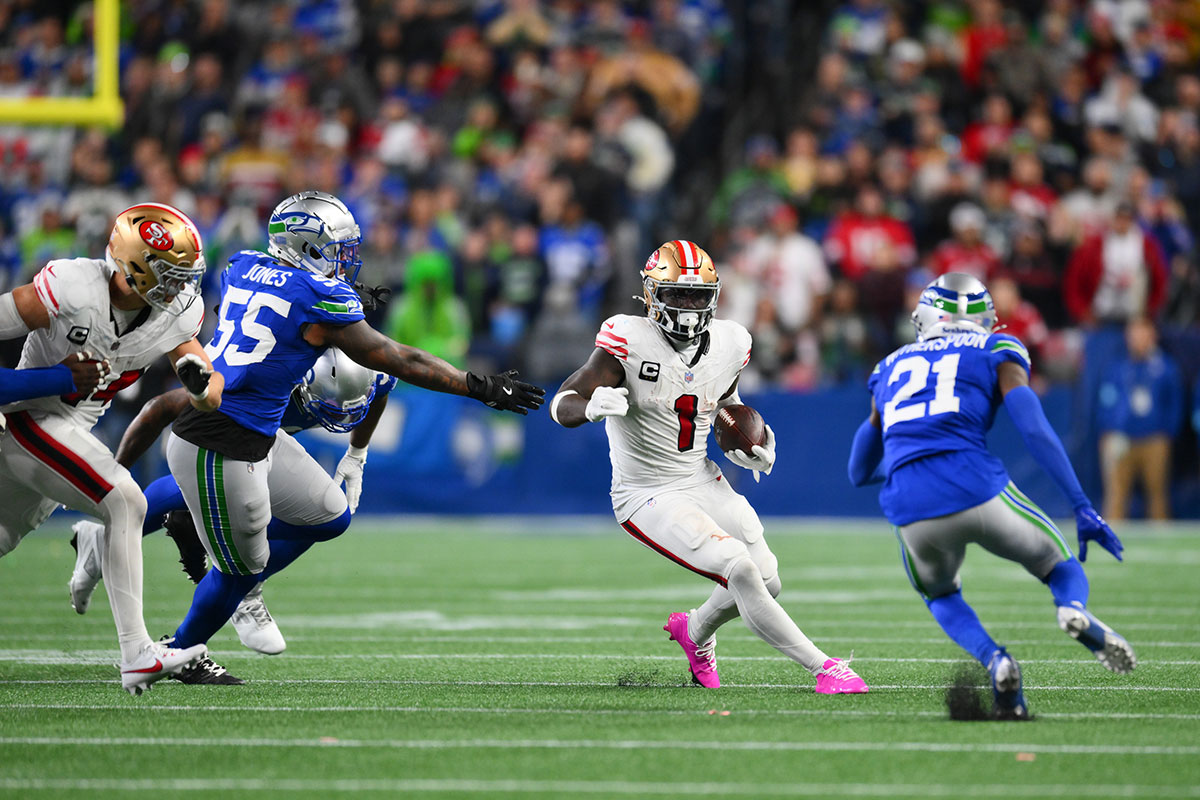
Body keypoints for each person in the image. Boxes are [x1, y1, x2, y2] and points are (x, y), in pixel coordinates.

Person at [159, 191, 543, 681]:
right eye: (337, 247)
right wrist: (479, 385)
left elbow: (278, 311)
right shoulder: (321, 297)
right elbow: (398, 359)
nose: (346, 258)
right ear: (305, 245)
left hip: (248, 423)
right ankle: (181, 648)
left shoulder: (241, 265)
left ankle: (214, 576)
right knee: (240, 571)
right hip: (224, 434)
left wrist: (356, 452)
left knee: (326, 515)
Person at [550, 239, 868, 694]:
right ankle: (825, 667)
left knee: (768, 577)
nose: (688, 305)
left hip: (699, 477)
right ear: (652, 295)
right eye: (677, 294)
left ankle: (695, 631)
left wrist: (746, 443)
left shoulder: (731, 342)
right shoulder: (627, 338)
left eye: (698, 295)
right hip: (646, 492)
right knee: (737, 567)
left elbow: (724, 405)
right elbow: (562, 402)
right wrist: (590, 406)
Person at [848, 272, 1136, 720]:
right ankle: (1071, 610)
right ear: (985, 318)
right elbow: (1034, 428)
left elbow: (857, 470)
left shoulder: (889, 366)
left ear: (923, 317)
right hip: (974, 484)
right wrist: (1081, 505)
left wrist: (910, 460)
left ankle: (995, 659)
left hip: (909, 503)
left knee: (941, 595)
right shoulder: (996, 348)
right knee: (1061, 567)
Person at [0, 203, 222, 694]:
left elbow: (209, 386)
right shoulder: (72, 287)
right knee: (126, 499)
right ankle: (137, 653)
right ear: (136, 266)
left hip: (68, 430)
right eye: (171, 274)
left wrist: (201, 385)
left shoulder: (177, 311)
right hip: (27, 417)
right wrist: (51, 377)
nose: (181, 287)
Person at [68, 348, 395, 669]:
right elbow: (160, 408)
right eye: (330, 405)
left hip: (266, 439)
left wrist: (358, 453)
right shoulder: (263, 373)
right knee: (219, 493)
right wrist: (111, 482)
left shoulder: (370, 364)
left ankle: (107, 541)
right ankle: (235, 587)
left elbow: (382, 388)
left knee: (322, 515)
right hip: (212, 434)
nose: (338, 417)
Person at [1097, 318, 1183, 521]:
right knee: (1116, 496)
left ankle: (1163, 546)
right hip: (1120, 439)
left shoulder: (1165, 368)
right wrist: (1108, 430)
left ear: (1153, 336)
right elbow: (1105, 400)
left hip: (1154, 439)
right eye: (1133, 335)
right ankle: (1110, 542)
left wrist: (1167, 433)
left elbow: (1174, 403)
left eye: (1141, 335)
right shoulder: (1117, 368)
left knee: (1157, 496)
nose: (1137, 340)